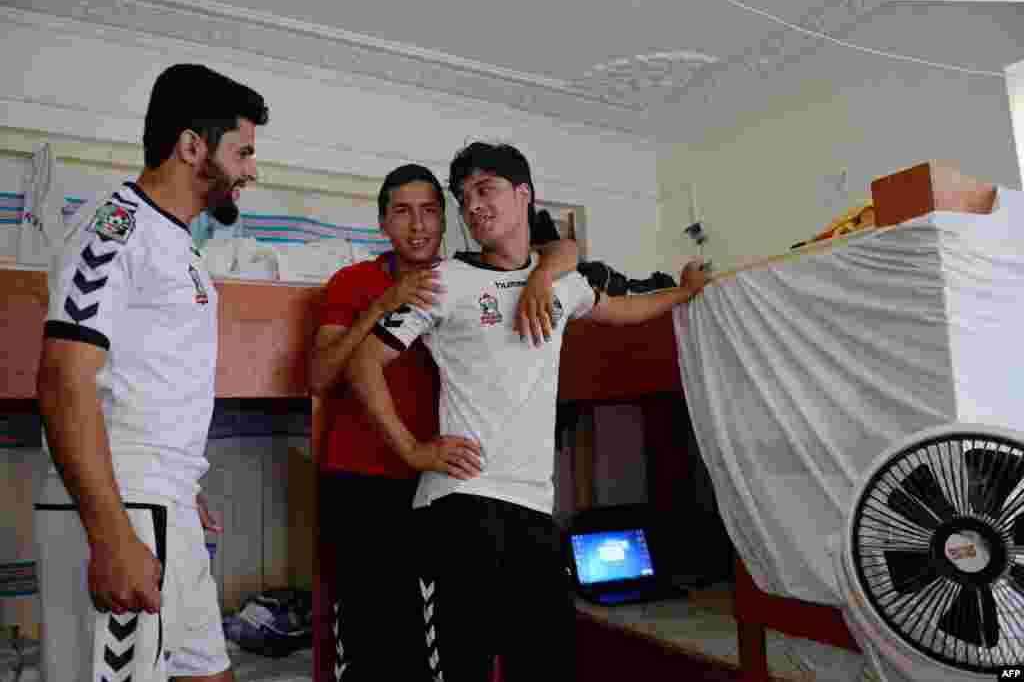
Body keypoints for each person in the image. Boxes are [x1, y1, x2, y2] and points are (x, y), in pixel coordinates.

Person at [344, 141, 710, 681]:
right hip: (460, 505)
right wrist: (412, 449)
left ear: (523, 195)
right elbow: (363, 363)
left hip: (535, 511)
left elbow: (626, 309)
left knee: (546, 665)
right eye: (465, 198)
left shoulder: (565, 280)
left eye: (485, 190)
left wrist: (683, 293)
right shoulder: (444, 280)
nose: (473, 207)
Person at [33, 63, 268, 682]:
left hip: (163, 504)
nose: (250, 170)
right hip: (124, 509)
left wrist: (183, 480)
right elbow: (64, 378)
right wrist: (111, 535)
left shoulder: (177, 245)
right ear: (193, 146)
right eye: (242, 152)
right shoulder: (115, 230)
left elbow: (146, 378)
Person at [307, 162, 580, 680]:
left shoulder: (461, 276)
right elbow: (320, 376)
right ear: (383, 222)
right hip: (363, 479)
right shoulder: (355, 280)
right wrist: (383, 304)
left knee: (426, 643)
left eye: (431, 211)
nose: (418, 225)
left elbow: (564, 250)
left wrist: (545, 273)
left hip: (434, 485)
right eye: (403, 212)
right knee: (367, 636)